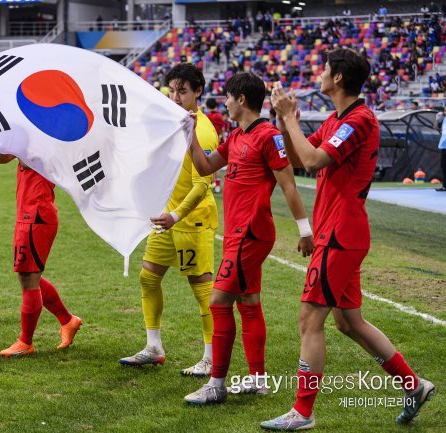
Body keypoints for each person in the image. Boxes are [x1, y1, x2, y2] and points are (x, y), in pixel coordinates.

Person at [262, 48, 435, 430]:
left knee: (309, 319)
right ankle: (414, 386)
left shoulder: (359, 120)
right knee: (349, 323)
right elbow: (296, 157)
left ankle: (303, 413)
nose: (320, 74)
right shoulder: (338, 119)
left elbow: (313, 161)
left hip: (341, 234)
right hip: (336, 232)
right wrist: (283, 120)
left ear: (338, 78)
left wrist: (290, 117)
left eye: (324, 68)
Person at [183, 72, 313, 405]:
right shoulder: (237, 137)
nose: (224, 102)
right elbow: (204, 166)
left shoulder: (268, 136)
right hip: (236, 235)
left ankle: (216, 384)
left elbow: (288, 186)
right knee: (249, 304)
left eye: (227, 97)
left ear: (241, 99)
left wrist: (304, 231)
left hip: (251, 233)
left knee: (218, 301)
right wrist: (190, 137)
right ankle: (257, 380)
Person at [119, 64, 219, 378]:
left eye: (183, 91)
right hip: (167, 217)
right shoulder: (171, 124)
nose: (175, 97)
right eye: (171, 90)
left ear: (198, 92)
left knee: (201, 287)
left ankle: (211, 358)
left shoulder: (202, 129)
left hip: (191, 221)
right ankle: (154, 347)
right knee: (148, 277)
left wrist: (176, 215)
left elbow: (204, 185)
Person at [0, 153, 82, 357]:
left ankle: (25, 342)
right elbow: (1, 157)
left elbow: (27, 158)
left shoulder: (41, 139)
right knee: (27, 275)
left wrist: (17, 138)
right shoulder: (30, 137)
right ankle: (67, 320)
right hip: (29, 213)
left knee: (29, 278)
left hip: (37, 214)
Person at [433, 106, 446, 191]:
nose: (445, 111)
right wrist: (438, 119)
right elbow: (435, 127)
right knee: (443, 166)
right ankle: (445, 186)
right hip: (444, 145)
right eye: (445, 110)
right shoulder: (444, 119)